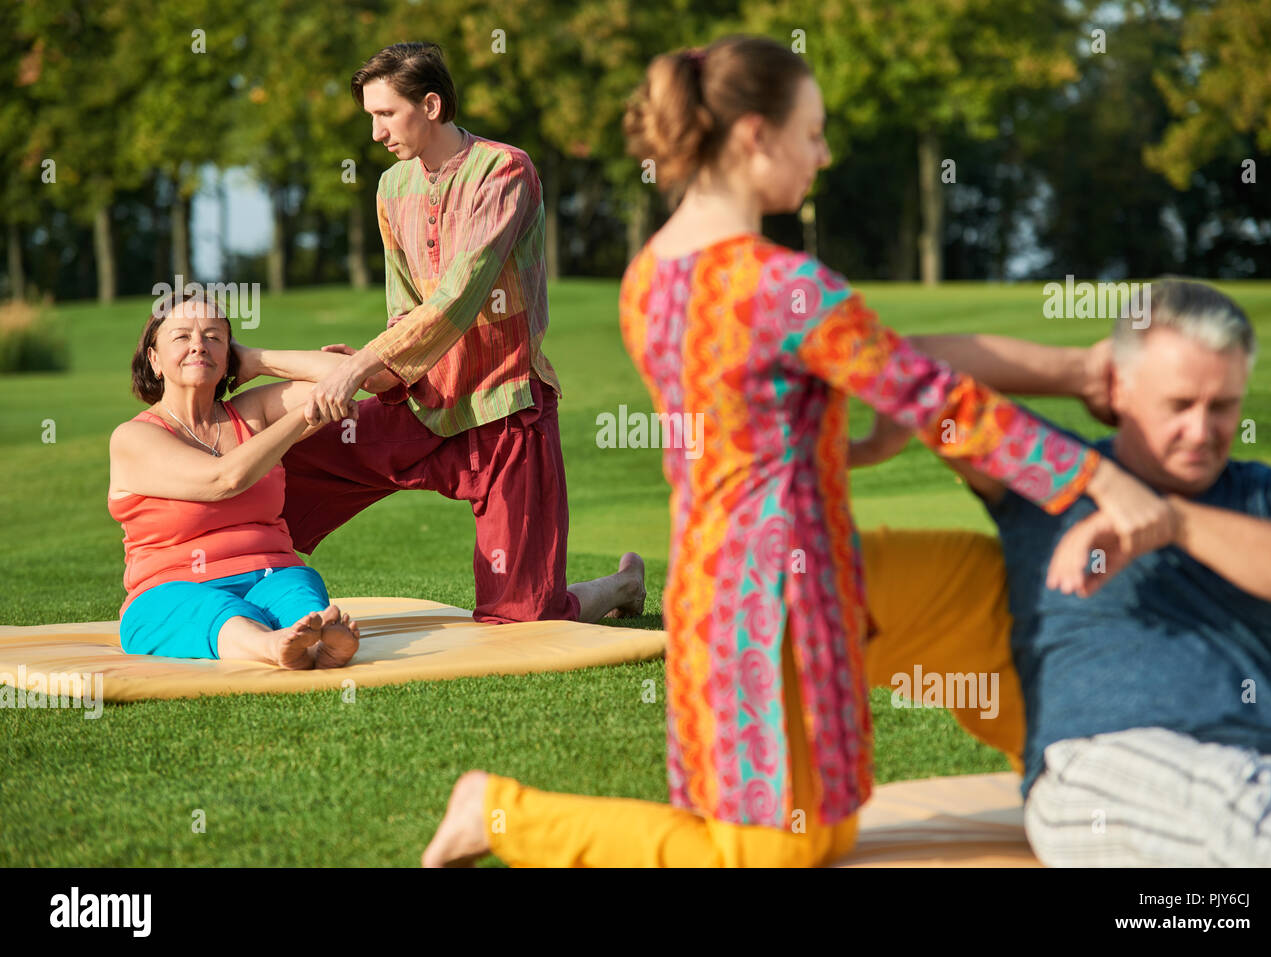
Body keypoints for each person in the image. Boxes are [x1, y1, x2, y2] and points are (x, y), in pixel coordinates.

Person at [418, 35, 1172, 867]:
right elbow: (937, 396)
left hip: (789, 572)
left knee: (991, 611)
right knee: (769, 854)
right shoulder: (780, 284)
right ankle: (499, 814)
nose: (824, 153)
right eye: (812, 132)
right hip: (760, 605)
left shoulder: (651, 276)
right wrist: (1099, 477)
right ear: (754, 136)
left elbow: (767, 415)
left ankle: (1082, 783)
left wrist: (846, 435)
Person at [910, 279, 1271, 866]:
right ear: (1121, 387)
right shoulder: (1054, 475)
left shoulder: (1267, 495)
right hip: (1110, 762)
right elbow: (906, 372)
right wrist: (1076, 370)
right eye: (1180, 405)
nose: (1201, 432)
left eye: (1222, 407)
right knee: (1250, 816)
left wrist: (1172, 523)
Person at [276, 41, 644, 625]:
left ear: (430, 104)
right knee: (285, 465)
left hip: (504, 407)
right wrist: (375, 366)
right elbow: (405, 309)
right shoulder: (391, 189)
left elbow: (458, 296)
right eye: (369, 117)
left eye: (385, 115)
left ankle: (623, 584)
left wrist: (358, 365)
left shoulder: (505, 170)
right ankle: (243, 587)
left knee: (524, 614)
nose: (375, 134)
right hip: (423, 407)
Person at [108, 292, 367, 669]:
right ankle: (272, 646)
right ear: (154, 359)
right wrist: (302, 419)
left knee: (297, 591)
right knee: (211, 609)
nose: (199, 345)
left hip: (272, 572)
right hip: (171, 589)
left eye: (214, 337)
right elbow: (223, 479)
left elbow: (353, 376)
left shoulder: (253, 412)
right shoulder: (134, 438)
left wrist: (258, 359)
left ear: (229, 354)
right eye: (182, 337)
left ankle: (314, 645)